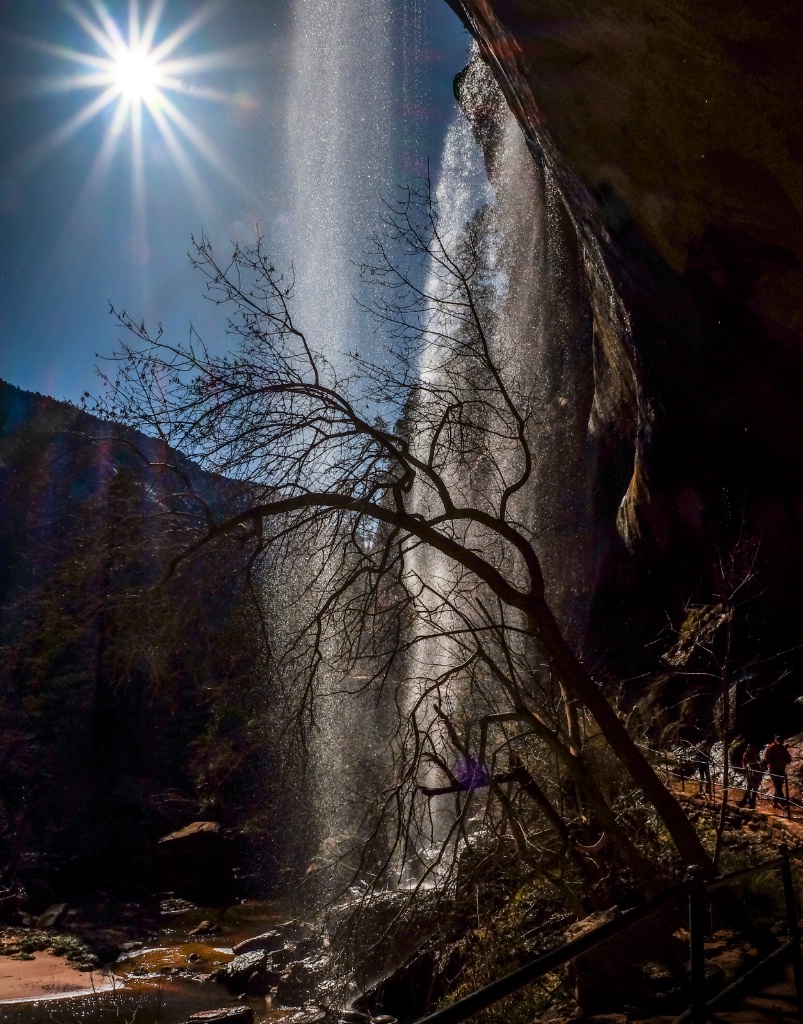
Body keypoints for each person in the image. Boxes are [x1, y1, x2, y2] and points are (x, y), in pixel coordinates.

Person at [763, 735, 792, 810]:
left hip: (781, 769)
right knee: (778, 786)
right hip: (773, 769)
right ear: (775, 741)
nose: (779, 743)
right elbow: (766, 758)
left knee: (778, 786)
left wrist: (783, 761)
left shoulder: (783, 749)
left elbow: (789, 759)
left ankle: (775, 802)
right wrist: (776, 762)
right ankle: (783, 804)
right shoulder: (771, 748)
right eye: (778, 741)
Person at [738, 743, 763, 809]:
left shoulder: (756, 754)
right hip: (750, 770)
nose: (751, 749)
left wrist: (760, 767)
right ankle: (745, 802)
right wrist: (745, 767)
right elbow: (744, 762)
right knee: (749, 787)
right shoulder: (746, 754)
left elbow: (760, 761)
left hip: (757, 770)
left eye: (752, 748)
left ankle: (752, 803)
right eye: (750, 748)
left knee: (755, 788)